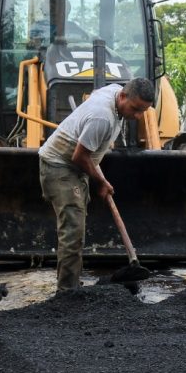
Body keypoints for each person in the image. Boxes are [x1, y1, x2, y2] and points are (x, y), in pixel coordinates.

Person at [38, 77, 155, 291]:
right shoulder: (102, 117)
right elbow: (80, 156)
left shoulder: (114, 91)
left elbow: (85, 154)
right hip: (59, 166)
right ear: (122, 96)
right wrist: (101, 182)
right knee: (73, 230)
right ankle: (67, 293)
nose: (137, 116)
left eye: (143, 111)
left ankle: (72, 283)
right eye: (135, 109)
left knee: (77, 226)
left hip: (75, 165)